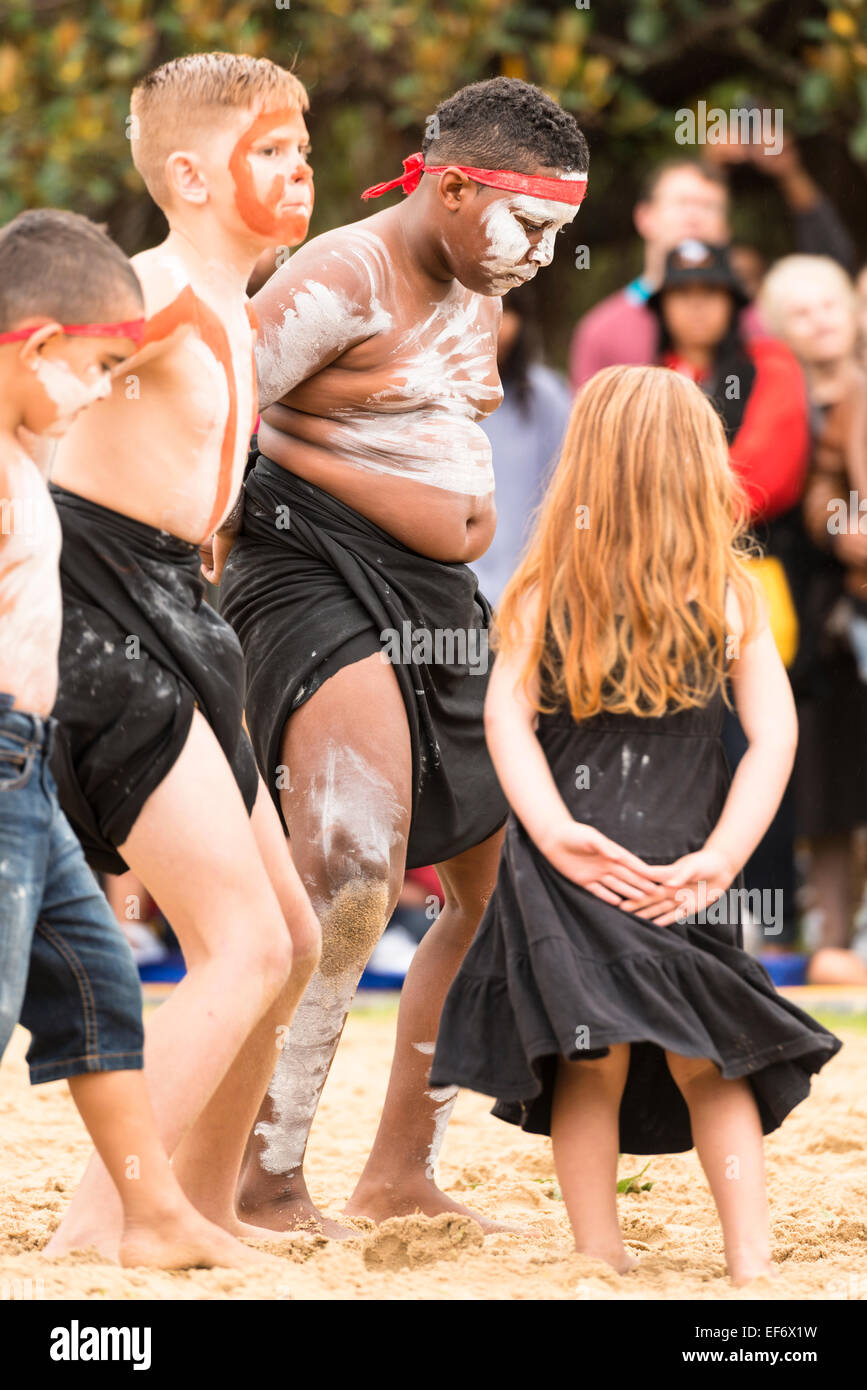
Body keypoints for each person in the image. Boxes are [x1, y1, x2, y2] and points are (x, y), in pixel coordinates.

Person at [217, 76, 590, 1234]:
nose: (540, 255)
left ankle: (398, 1168)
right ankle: (267, 1176)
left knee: (495, 890)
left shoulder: (478, 273)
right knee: (353, 873)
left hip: (437, 592)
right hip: (305, 572)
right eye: (530, 226)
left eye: (558, 236)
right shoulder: (340, 274)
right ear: (455, 186)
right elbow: (211, 421)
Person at [430, 364, 842, 1285]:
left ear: (585, 469)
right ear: (701, 468)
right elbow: (774, 737)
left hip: (572, 868)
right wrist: (722, 857)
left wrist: (551, 833)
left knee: (590, 1066)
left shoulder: (541, 590)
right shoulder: (730, 594)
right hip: (679, 866)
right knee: (712, 1063)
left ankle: (598, 1257)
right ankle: (750, 1262)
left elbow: (504, 720)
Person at [44, 52, 322, 1259]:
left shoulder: (238, 312)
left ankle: (194, 1213)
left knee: (297, 944)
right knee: (243, 940)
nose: (300, 166)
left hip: (178, 608)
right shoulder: (150, 292)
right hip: (98, 606)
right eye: (273, 149)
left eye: (305, 146)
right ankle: (103, 1227)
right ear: (194, 174)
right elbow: (27, 373)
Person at [0, 207, 272, 1270]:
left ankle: (151, 1215)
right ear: (34, 348)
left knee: (102, 992)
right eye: (99, 367)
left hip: (24, 757)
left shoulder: (26, 444)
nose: (102, 389)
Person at [648, 238, 810, 951]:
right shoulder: (657, 375)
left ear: (732, 304)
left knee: (759, 739)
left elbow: (770, 473)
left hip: (756, 581)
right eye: (682, 294)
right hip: (658, 590)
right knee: (684, 743)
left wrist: (673, 503)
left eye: (709, 293)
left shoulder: (769, 366)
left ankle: (770, 935)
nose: (695, 305)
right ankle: (685, 915)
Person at [760, 255, 867, 984]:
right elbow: (814, 487)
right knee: (826, 779)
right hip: (816, 617)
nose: (822, 318)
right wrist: (844, 527)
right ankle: (827, 934)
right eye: (800, 310)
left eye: (829, 301)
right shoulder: (773, 391)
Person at [570, 136, 855, 389]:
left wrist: (789, 173)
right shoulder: (600, 331)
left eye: (709, 207)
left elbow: (834, 270)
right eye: (682, 203)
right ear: (645, 217)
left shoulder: (761, 323)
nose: (694, 217)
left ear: (725, 229)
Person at [472, 282, 572, 607]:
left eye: (508, 309)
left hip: (530, 595)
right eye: (480, 305)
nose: (495, 319)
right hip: (450, 598)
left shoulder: (548, 398)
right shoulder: (429, 397)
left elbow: (565, 496)